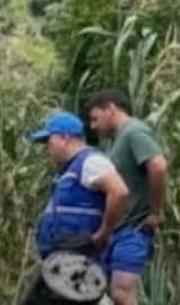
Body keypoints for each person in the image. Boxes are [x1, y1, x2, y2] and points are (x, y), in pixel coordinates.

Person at [24, 111, 129, 305]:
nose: (48, 148)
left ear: (64, 138)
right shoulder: (70, 170)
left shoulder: (90, 161)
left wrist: (104, 233)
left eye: (49, 141)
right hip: (62, 263)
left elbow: (119, 191)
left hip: (78, 264)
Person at [87, 90, 168, 305]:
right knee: (111, 293)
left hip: (134, 228)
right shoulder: (117, 140)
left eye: (95, 118)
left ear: (110, 109)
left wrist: (155, 211)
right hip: (119, 229)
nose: (93, 126)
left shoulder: (134, 131)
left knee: (122, 292)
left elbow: (158, 166)